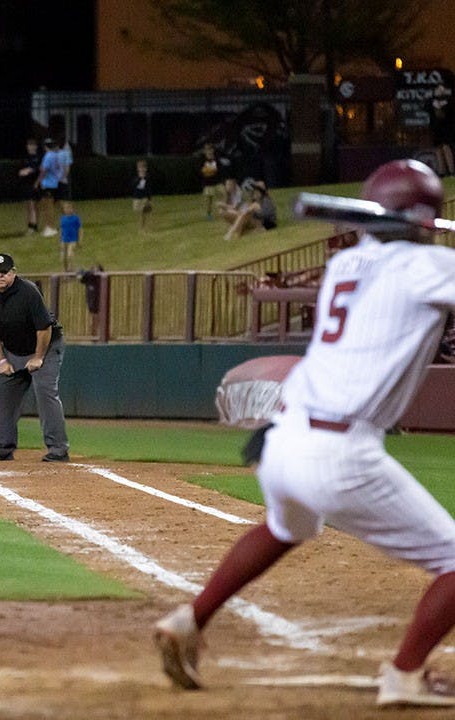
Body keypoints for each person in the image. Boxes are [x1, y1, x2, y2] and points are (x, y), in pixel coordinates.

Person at [154, 158, 455, 707]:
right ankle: (406, 673)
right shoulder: (427, 266)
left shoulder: (347, 265)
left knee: (284, 527)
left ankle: (189, 620)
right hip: (342, 451)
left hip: (285, 436)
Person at [0, 252, 69, 463]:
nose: (0, 276)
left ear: (13, 273)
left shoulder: (28, 292)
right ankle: (2, 448)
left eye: (5, 272)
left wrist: (38, 358)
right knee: (2, 395)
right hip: (13, 351)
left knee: (45, 393)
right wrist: (2, 361)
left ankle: (58, 449)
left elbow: (44, 328)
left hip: (45, 347)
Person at [34, 138, 64, 237]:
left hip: (47, 184)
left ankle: (50, 227)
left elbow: (44, 170)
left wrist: (38, 182)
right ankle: (53, 226)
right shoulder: (56, 156)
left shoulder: (48, 156)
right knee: (53, 205)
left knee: (47, 206)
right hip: (55, 183)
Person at [18, 138, 42, 235]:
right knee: (29, 205)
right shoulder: (25, 157)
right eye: (29, 145)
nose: (31, 147)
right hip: (26, 184)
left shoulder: (38, 157)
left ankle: (33, 226)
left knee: (33, 205)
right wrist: (22, 171)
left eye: (32, 145)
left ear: (35, 147)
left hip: (35, 183)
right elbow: (21, 169)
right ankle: (30, 224)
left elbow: (38, 169)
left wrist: (30, 170)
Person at [199, 143, 228, 219]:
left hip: (217, 182)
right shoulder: (202, 159)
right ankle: (208, 214)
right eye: (207, 149)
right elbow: (201, 171)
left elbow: (219, 169)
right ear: (205, 151)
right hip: (208, 183)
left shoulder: (216, 158)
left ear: (213, 150)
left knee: (224, 193)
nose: (209, 151)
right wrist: (207, 171)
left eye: (210, 149)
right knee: (209, 201)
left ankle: (223, 211)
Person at [58, 201, 82, 272]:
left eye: (69, 208)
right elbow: (61, 229)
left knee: (70, 255)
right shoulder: (63, 218)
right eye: (66, 208)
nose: (68, 210)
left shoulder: (76, 218)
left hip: (73, 240)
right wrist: (60, 240)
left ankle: (70, 269)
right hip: (64, 240)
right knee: (63, 258)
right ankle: (65, 271)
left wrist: (80, 240)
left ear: (72, 209)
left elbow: (80, 229)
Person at [131, 159, 153, 232]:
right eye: (140, 168)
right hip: (137, 197)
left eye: (143, 168)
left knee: (143, 213)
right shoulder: (136, 178)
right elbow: (133, 186)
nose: (142, 169)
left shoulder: (148, 178)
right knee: (137, 211)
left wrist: (149, 199)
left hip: (144, 198)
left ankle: (143, 228)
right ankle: (142, 226)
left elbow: (149, 189)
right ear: (138, 169)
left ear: (146, 169)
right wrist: (139, 179)